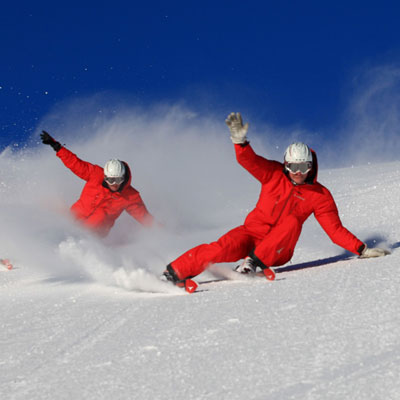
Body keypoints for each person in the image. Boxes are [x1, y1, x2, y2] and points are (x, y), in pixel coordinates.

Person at [163, 112, 389, 284]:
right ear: (286, 165)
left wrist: (361, 249)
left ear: (311, 167)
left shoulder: (320, 195)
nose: (298, 172)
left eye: (303, 167)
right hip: (251, 233)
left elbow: (334, 229)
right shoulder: (272, 173)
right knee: (219, 248)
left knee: (292, 221)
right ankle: (173, 273)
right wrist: (240, 143)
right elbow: (249, 161)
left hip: (279, 248)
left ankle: (253, 262)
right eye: (293, 167)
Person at [40, 131, 155, 237]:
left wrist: (164, 233)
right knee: (51, 205)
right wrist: (57, 147)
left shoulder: (130, 196)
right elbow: (76, 164)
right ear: (105, 177)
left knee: (100, 215)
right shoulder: (95, 174)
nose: (114, 184)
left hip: (96, 232)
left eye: (118, 180)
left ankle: (79, 237)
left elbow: (144, 218)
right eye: (110, 180)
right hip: (75, 218)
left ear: (124, 178)